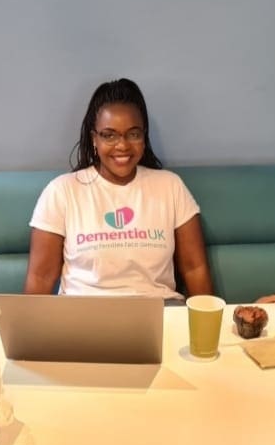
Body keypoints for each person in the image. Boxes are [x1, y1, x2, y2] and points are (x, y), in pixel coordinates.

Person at [24, 78, 213, 301]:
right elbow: (41, 277)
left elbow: (194, 268)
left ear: (144, 136)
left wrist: (210, 328)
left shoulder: (170, 186)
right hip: (83, 318)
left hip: (159, 314)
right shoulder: (62, 191)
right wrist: (28, 334)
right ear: (94, 139)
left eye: (133, 134)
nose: (122, 145)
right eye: (109, 135)